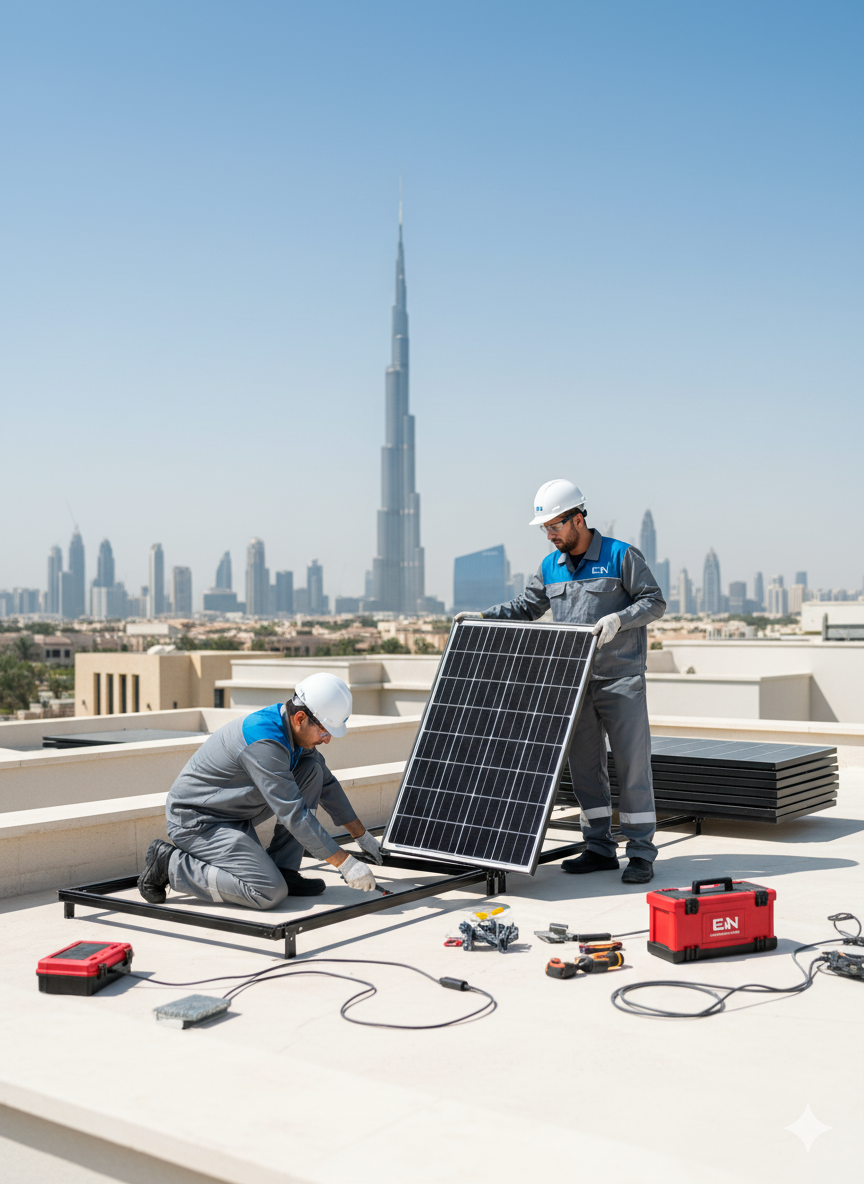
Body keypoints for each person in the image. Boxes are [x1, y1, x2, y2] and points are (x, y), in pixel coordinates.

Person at [456, 479, 665, 884]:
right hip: (573, 681)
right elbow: (526, 607)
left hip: (621, 679)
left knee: (632, 766)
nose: (549, 535)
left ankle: (641, 852)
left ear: (578, 518)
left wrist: (619, 619)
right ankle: (599, 847)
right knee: (584, 768)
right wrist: (484, 618)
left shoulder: (621, 556)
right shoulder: (550, 566)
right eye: (545, 529)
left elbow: (653, 601)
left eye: (554, 526)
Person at [137, 673, 383, 908]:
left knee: (312, 771)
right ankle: (169, 864)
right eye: (325, 731)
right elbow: (293, 813)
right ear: (300, 718)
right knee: (267, 891)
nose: (327, 739)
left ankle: (284, 869)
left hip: (231, 814)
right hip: (199, 821)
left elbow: (327, 785)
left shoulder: (291, 731)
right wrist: (344, 863)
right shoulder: (265, 742)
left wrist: (362, 837)